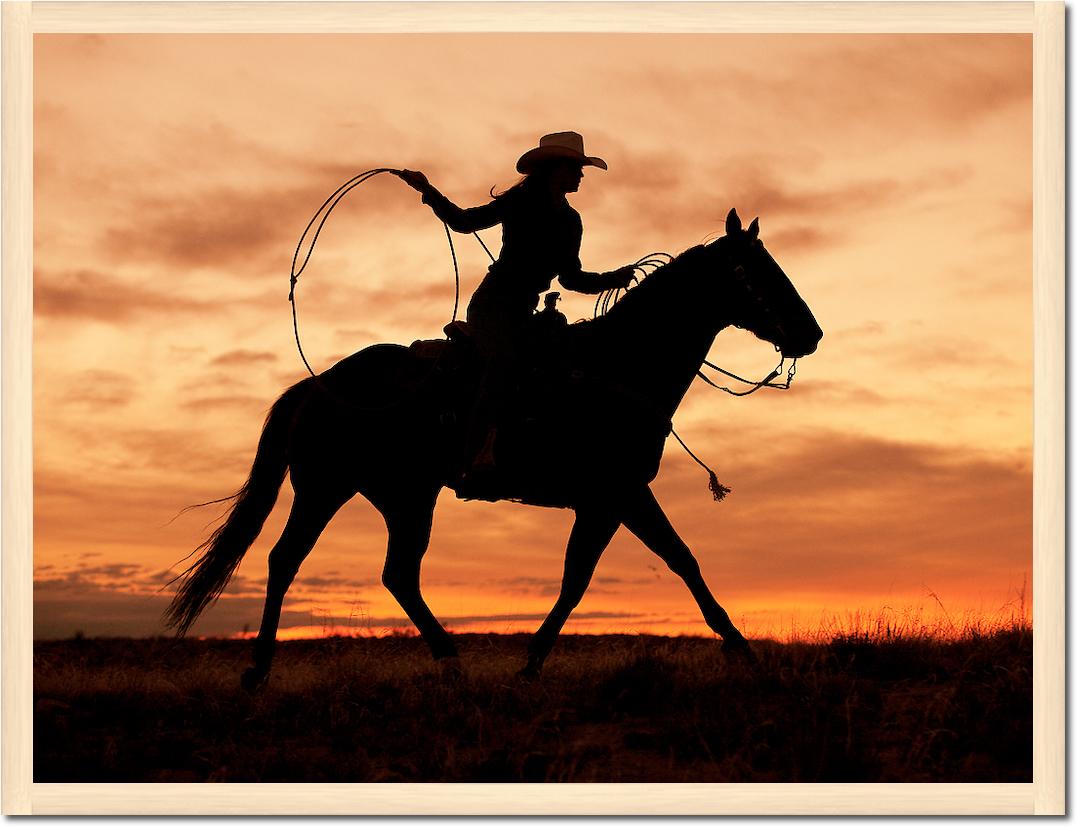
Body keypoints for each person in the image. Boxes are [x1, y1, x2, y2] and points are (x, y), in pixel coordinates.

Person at [395, 131, 635, 498]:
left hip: (524, 310)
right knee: (503, 362)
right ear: (556, 169)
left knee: (564, 364)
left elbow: (571, 278)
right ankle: (475, 457)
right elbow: (464, 222)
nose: (581, 176)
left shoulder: (571, 221)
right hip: (493, 307)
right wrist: (429, 192)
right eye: (576, 168)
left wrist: (611, 280)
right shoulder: (521, 201)